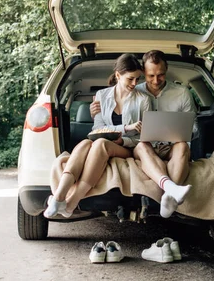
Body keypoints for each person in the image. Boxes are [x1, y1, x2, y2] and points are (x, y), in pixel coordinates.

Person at [90, 50, 197, 218]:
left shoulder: (182, 93)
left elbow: (194, 128)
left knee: (183, 146)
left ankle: (169, 197)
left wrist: (175, 131)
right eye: (150, 75)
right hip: (144, 145)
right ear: (143, 73)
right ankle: (169, 190)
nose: (156, 80)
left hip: (172, 146)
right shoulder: (134, 90)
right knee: (141, 145)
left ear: (166, 70)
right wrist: (96, 110)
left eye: (161, 75)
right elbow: (110, 107)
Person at [44, 54, 151, 218]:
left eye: (138, 79)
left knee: (100, 143)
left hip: (128, 146)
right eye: (130, 79)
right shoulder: (102, 96)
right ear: (118, 75)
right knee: (85, 144)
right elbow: (98, 128)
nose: (135, 83)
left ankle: (72, 201)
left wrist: (123, 137)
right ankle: (58, 198)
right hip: (101, 141)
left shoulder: (143, 99)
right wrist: (126, 127)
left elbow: (144, 136)